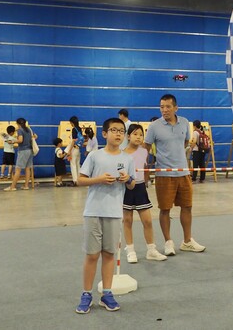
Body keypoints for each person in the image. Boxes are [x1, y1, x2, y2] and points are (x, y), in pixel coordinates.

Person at [75, 117, 136, 314]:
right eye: (113, 130)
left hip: (114, 213)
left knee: (109, 254)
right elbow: (80, 181)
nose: (118, 134)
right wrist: (99, 179)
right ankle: (86, 294)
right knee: (92, 254)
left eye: (121, 131)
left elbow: (132, 184)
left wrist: (128, 180)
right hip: (93, 211)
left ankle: (107, 294)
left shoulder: (127, 159)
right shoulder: (94, 156)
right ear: (104, 133)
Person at [144, 94, 205, 256]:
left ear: (175, 108)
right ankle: (168, 242)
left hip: (183, 173)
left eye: (168, 107)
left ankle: (187, 241)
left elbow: (185, 143)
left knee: (187, 207)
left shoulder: (185, 123)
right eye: (162, 107)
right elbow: (146, 148)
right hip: (164, 174)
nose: (164, 110)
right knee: (165, 209)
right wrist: (139, 169)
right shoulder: (154, 126)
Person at [122, 124, 167, 263]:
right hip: (126, 189)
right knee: (127, 220)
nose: (138, 137)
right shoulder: (122, 153)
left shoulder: (144, 152)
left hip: (140, 188)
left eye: (141, 135)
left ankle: (151, 250)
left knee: (147, 221)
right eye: (135, 134)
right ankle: (130, 251)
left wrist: (147, 182)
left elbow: (144, 168)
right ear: (128, 136)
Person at [4, 118, 37, 191]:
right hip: (30, 150)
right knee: (28, 169)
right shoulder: (28, 129)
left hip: (23, 151)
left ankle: (12, 187)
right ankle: (26, 185)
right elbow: (35, 136)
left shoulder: (20, 130)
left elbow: (20, 140)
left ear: (18, 124)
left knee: (18, 169)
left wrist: (13, 141)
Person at [66, 116, 84, 186]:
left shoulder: (74, 129)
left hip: (74, 148)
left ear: (72, 122)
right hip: (78, 149)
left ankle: (75, 181)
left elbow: (73, 141)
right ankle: (79, 179)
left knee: (73, 165)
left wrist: (69, 151)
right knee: (77, 164)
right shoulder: (79, 129)